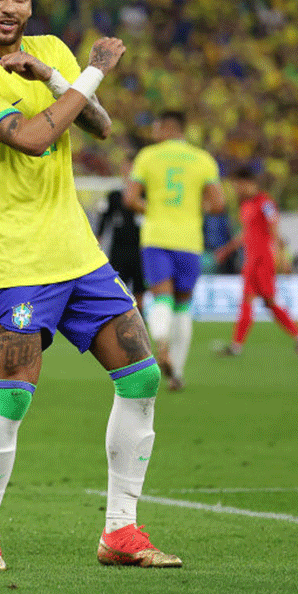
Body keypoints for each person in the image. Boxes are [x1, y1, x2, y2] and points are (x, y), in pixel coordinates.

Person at [0, 0, 181, 572]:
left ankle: (120, 532)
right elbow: (34, 137)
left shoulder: (49, 48)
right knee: (14, 396)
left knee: (142, 376)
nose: (10, 9)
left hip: (79, 254)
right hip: (18, 260)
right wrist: (92, 71)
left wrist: (56, 75)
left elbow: (96, 125)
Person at [123, 110, 225, 390]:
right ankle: (177, 372)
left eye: (156, 126)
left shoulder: (147, 157)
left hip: (156, 237)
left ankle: (162, 344)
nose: (154, 132)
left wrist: (153, 209)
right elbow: (218, 204)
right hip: (189, 240)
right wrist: (193, 209)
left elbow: (130, 198)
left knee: (161, 298)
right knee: (183, 304)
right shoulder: (203, 159)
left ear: (168, 127)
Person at [213, 167, 298, 356]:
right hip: (251, 260)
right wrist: (227, 250)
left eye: (236, 185)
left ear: (247, 183)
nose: (235, 189)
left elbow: (274, 228)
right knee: (265, 302)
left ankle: (236, 346)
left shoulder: (265, 202)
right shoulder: (245, 205)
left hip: (263, 260)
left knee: (260, 300)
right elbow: (246, 233)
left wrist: (281, 256)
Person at [95, 183, 144, 317]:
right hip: (118, 252)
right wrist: (96, 245)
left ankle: (141, 317)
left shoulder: (146, 194)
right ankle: (117, 316)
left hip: (141, 251)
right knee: (117, 287)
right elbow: (103, 221)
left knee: (140, 289)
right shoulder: (114, 196)